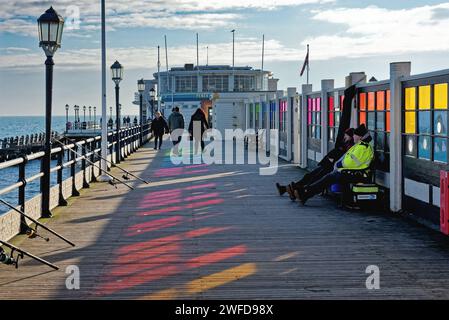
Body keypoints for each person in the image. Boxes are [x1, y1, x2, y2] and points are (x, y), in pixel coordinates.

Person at [296, 124, 374, 205]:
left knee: (328, 178)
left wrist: (340, 164)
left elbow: (351, 162)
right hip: (351, 172)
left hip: (357, 174)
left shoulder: (362, 147)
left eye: (355, 135)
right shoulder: (359, 145)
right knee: (327, 176)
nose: (353, 136)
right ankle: (306, 193)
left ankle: (306, 192)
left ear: (360, 137)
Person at [276, 128, 355, 200]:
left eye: (346, 135)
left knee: (314, 178)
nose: (344, 136)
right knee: (309, 176)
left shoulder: (350, 147)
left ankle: (290, 189)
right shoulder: (344, 144)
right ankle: (289, 189)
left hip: (331, 167)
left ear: (351, 137)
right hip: (327, 164)